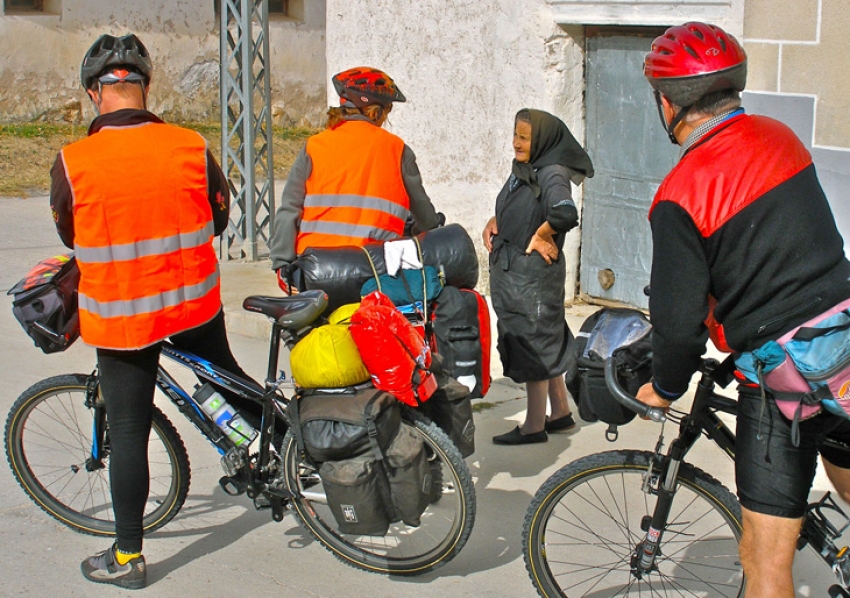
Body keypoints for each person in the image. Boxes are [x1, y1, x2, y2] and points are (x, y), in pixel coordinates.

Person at [636, 21, 850, 597]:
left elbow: (678, 325)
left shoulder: (680, 193)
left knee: (764, 560)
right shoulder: (781, 136)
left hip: (784, 381)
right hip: (846, 343)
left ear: (666, 103)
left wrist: (663, 385)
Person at [50, 33, 259, 589]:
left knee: (128, 430)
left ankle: (127, 558)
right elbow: (218, 215)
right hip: (191, 302)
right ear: (144, 89)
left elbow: (70, 232)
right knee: (229, 380)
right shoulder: (189, 145)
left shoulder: (74, 161)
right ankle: (274, 452)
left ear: (96, 93)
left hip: (123, 320)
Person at [269, 66, 442, 293]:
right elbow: (425, 218)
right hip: (372, 269)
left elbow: (290, 208)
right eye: (387, 110)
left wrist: (282, 263)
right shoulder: (397, 149)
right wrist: (428, 225)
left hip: (315, 269)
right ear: (375, 112)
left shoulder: (315, 146)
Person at [484, 108, 593, 445]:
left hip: (530, 281)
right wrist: (495, 219)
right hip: (519, 279)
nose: (516, 143)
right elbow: (519, 205)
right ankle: (559, 412)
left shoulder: (551, 172)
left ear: (542, 140)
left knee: (533, 344)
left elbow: (563, 211)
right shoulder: (527, 169)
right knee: (545, 338)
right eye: (515, 134)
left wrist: (544, 234)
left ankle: (533, 425)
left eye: (524, 138)